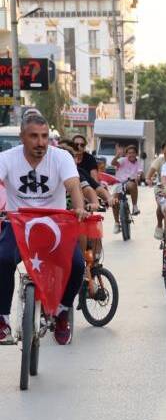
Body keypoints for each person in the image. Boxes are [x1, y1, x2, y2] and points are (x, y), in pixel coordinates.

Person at [0, 114, 87, 345]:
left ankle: (61, 313)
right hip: (18, 225)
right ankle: (2, 319)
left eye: (44, 136)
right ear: (22, 138)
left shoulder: (61, 157)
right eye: (34, 136)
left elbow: (73, 185)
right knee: (3, 259)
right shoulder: (6, 159)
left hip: (55, 226)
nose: (40, 142)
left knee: (78, 266)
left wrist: (78, 208)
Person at [71, 134, 112, 209]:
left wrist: (108, 198)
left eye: (82, 145)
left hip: (87, 190)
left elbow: (94, 180)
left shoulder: (89, 160)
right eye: (76, 144)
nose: (79, 147)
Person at [111, 144, 144, 230]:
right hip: (118, 183)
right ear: (126, 154)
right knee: (114, 201)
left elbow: (140, 172)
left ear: (136, 154)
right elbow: (113, 163)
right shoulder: (122, 160)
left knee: (132, 184)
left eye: (133, 153)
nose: (131, 154)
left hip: (129, 184)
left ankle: (135, 207)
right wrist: (117, 155)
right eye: (129, 153)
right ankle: (116, 223)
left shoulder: (138, 162)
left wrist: (138, 176)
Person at [147, 141, 166, 240]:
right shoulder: (159, 161)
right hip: (161, 187)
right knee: (161, 204)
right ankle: (160, 225)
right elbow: (149, 175)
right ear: (163, 150)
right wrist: (148, 180)